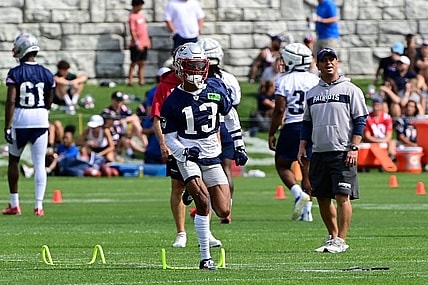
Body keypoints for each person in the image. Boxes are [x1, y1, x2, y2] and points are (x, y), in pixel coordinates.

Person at [160, 42, 247, 269]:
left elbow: (231, 116)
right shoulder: (172, 101)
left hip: (212, 155)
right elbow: (169, 137)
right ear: (180, 68)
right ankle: (205, 257)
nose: (197, 71)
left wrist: (239, 145)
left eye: (200, 65)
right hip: (188, 157)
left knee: (224, 209)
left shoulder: (216, 88)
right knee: (203, 202)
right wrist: (183, 151)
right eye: (192, 66)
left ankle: (192, 189)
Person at [298, 48, 368, 253]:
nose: (328, 63)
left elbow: (360, 120)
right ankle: (333, 235)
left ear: (337, 63)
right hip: (319, 151)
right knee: (321, 196)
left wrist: (354, 147)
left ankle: (342, 240)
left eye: (332, 59)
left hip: (343, 151)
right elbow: (306, 123)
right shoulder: (312, 93)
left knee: (342, 195)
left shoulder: (350, 90)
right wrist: (303, 146)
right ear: (317, 65)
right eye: (324, 60)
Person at [3, 33, 55, 216]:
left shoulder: (15, 72)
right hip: (41, 117)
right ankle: (38, 206)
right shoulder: (46, 73)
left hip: (21, 118)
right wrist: (45, 110)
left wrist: (6, 126)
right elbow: (50, 95)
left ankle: (14, 204)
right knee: (39, 163)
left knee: (14, 160)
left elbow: (10, 101)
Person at [268, 43, 320, 222]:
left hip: (292, 126)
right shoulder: (315, 79)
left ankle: (298, 194)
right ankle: (308, 211)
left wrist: (272, 132)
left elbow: (279, 109)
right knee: (307, 169)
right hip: (312, 126)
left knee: (282, 165)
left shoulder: (284, 80)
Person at [197, 37, 245, 223]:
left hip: (207, 128)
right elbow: (234, 107)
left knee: (204, 170)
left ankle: (207, 207)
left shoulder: (200, 80)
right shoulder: (230, 79)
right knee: (226, 169)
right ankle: (227, 207)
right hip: (226, 126)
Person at [102, 91, 147, 158]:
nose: (119, 103)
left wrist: (125, 120)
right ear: (112, 100)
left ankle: (146, 146)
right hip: (113, 135)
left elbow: (135, 117)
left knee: (135, 123)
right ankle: (136, 153)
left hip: (124, 132)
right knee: (126, 141)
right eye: (117, 101)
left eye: (120, 101)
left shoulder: (124, 109)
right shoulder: (107, 111)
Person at [127, 0, 151, 86]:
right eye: (140, 5)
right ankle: (130, 81)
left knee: (142, 63)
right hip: (136, 45)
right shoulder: (132, 17)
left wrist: (147, 40)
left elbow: (144, 30)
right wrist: (137, 43)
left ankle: (141, 80)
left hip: (144, 43)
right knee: (134, 63)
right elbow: (132, 31)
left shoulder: (141, 17)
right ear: (136, 5)